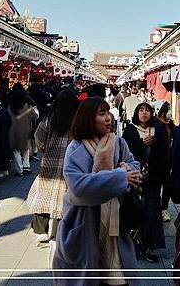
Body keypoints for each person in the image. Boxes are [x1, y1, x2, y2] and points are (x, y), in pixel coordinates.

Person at [52, 97, 142, 285]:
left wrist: (129, 169)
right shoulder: (75, 149)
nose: (108, 118)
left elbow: (134, 167)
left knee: (118, 275)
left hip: (115, 226)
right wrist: (120, 177)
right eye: (102, 114)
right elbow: (79, 188)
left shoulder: (118, 143)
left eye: (108, 113)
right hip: (83, 224)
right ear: (88, 118)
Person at [27, 90, 80, 251]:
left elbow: (38, 136)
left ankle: (40, 230)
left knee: (43, 195)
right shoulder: (78, 121)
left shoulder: (50, 118)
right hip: (71, 165)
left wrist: (44, 148)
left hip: (49, 162)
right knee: (62, 199)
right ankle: (58, 233)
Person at [123, 102, 169, 263]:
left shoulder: (158, 129)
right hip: (134, 177)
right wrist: (142, 144)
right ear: (136, 113)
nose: (144, 113)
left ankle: (149, 246)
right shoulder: (130, 130)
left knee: (152, 212)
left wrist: (154, 144)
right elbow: (126, 151)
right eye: (141, 110)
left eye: (147, 110)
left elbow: (165, 152)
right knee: (134, 210)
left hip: (153, 178)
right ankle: (132, 245)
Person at [7, 87, 39, 176]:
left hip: (13, 132)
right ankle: (26, 166)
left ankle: (19, 170)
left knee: (15, 150)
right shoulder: (27, 106)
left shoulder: (10, 107)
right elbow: (35, 116)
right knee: (25, 148)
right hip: (26, 131)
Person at [155, 101, 176, 222]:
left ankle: (164, 208)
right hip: (158, 161)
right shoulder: (155, 124)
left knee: (167, 185)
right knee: (157, 185)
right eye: (168, 109)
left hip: (168, 161)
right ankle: (156, 208)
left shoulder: (170, 124)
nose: (170, 112)